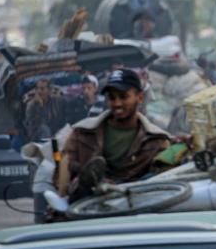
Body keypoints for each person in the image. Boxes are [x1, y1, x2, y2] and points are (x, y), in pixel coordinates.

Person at [61, 68, 171, 199]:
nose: (117, 103)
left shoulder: (156, 140)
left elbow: (165, 179)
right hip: (87, 207)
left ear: (140, 97)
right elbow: (63, 175)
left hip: (133, 207)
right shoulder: (83, 132)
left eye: (123, 97)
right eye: (112, 98)